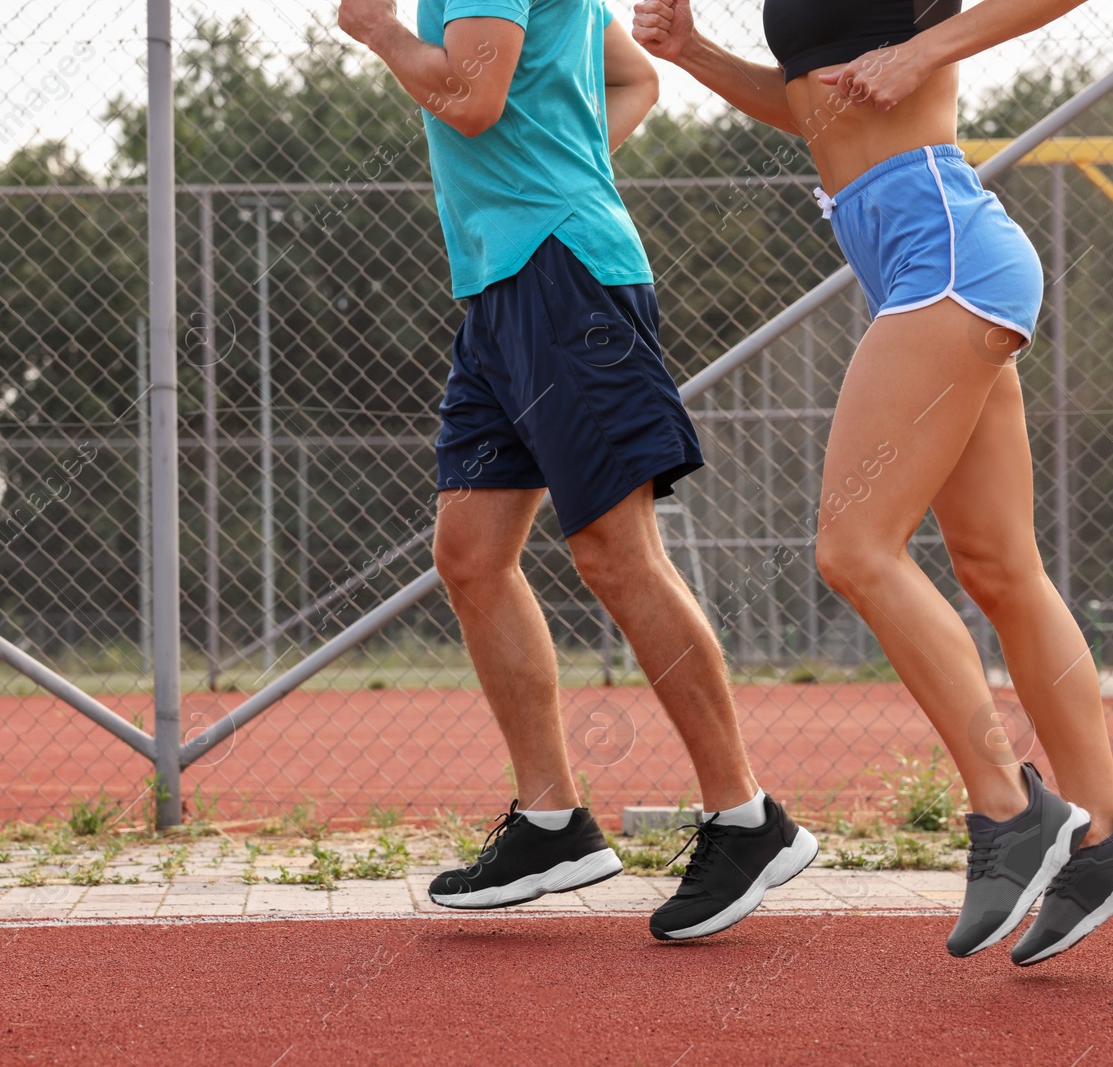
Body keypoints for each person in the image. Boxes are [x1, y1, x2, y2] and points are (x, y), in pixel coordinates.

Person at [632, 0, 1113, 964]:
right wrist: (695, 53)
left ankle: (1009, 808)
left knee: (854, 549)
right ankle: (1103, 833)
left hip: (945, 244)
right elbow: (819, 107)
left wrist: (923, 49)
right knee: (999, 566)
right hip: (905, 248)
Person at [336, 0, 818, 939]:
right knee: (471, 556)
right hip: (499, 291)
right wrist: (573, 154)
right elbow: (635, 74)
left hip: (561, 276)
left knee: (613, 550)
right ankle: (553, 819)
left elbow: (473, 101)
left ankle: (746, 815)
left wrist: (380, 35)